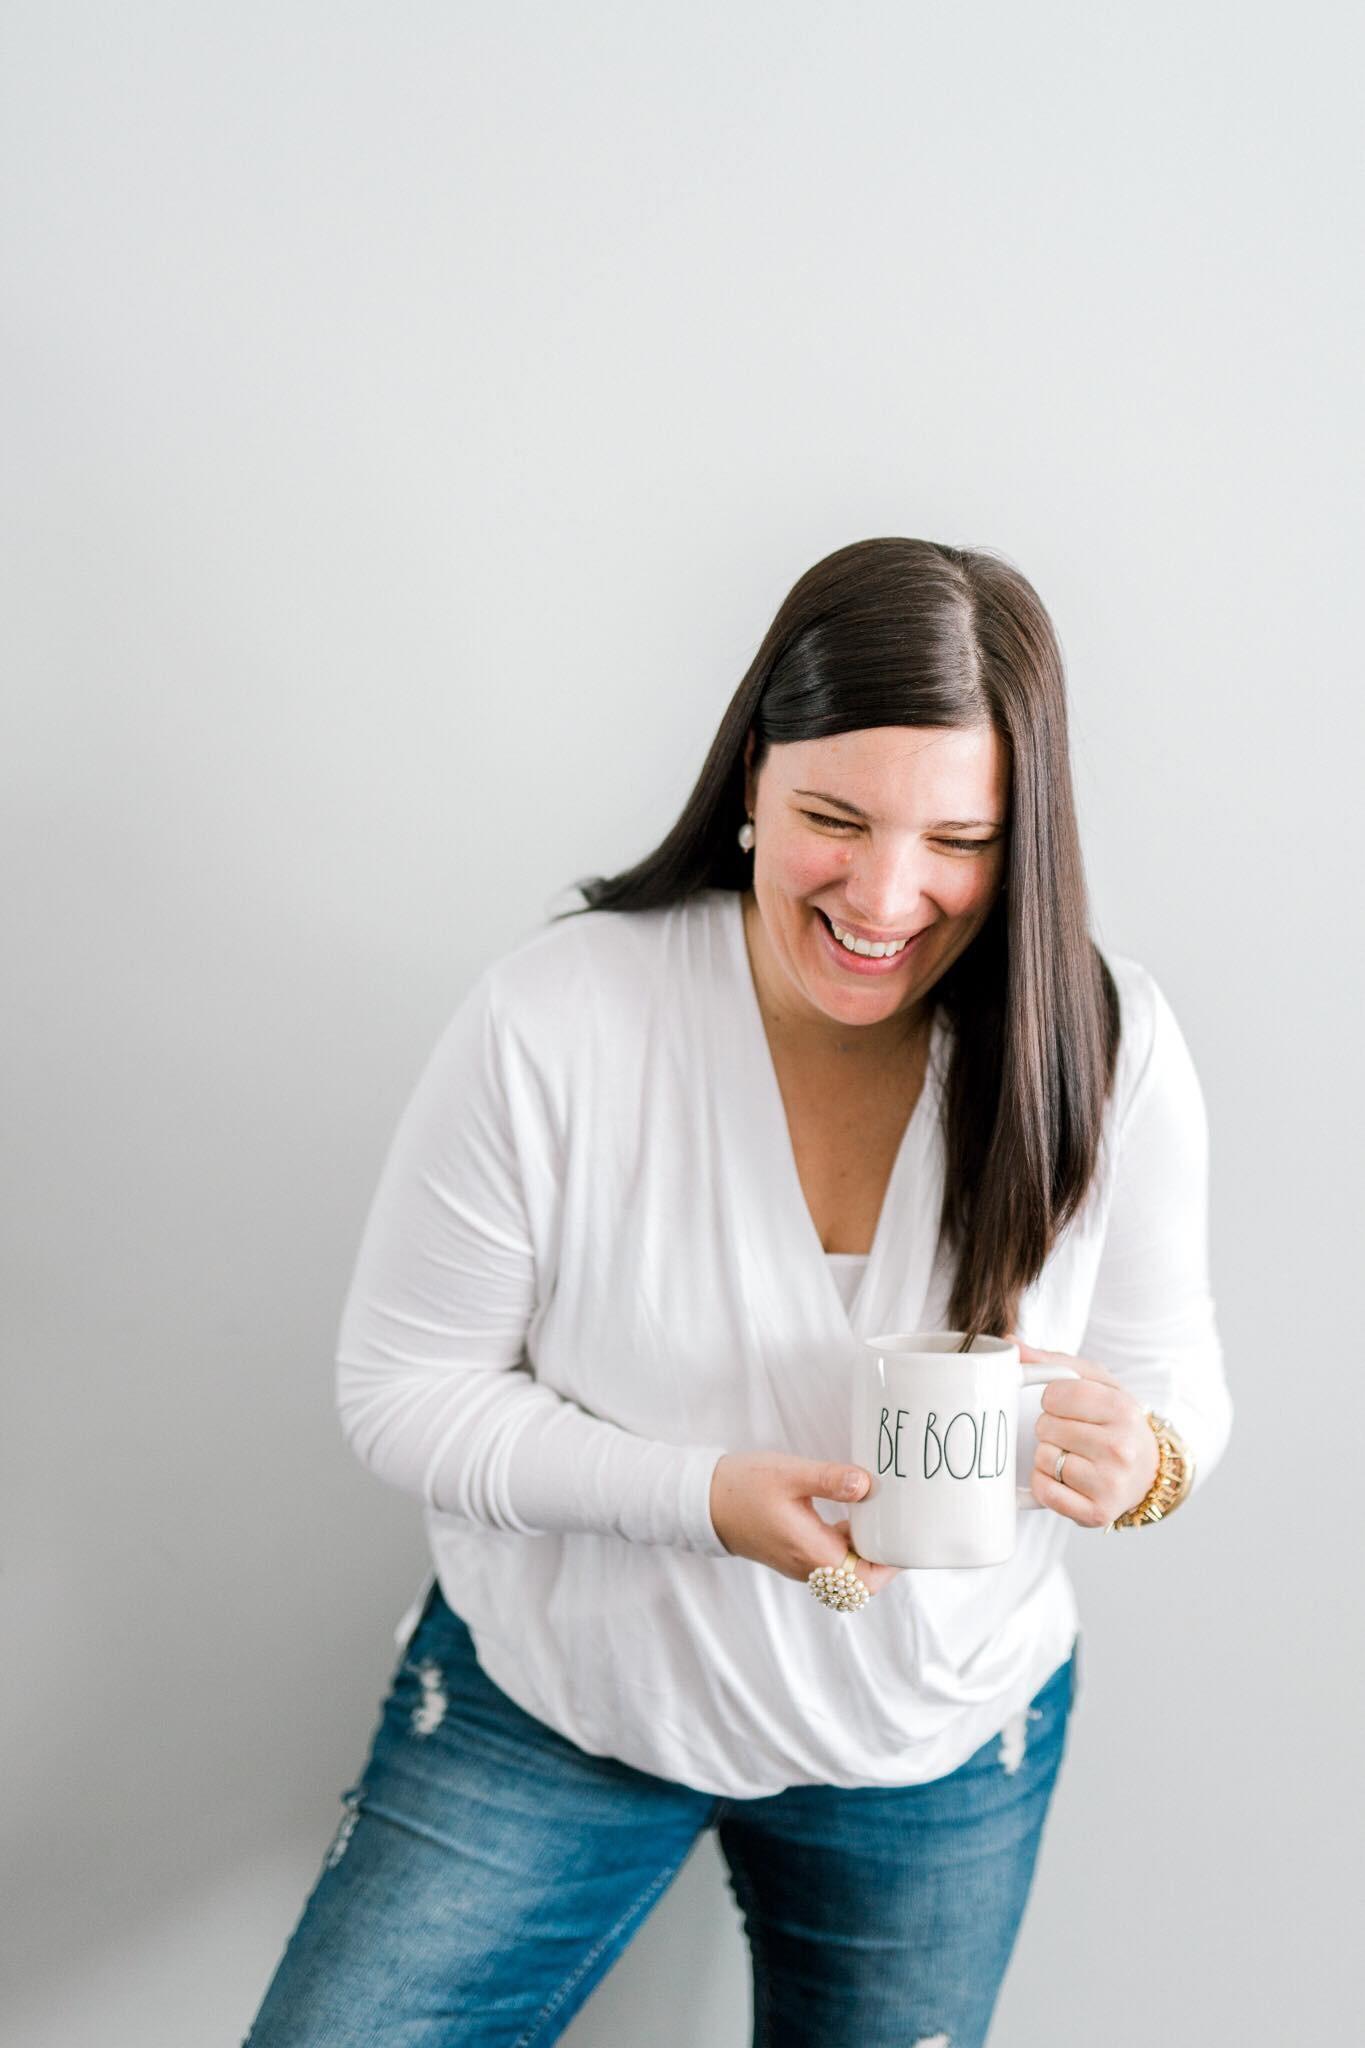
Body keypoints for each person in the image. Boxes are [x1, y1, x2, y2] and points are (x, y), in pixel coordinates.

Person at [243, 537, 1233, 2048]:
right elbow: (401, 1393)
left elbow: (1175, 1386)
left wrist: (1145, 1467)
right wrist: (700, 1499)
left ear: (1025, 837)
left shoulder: (1106, 1044)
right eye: (836, 818)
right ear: (753, 778)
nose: (886, 896)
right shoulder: (560, 1016)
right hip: (556, 1703)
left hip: (930, 1731)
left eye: (959, 839)